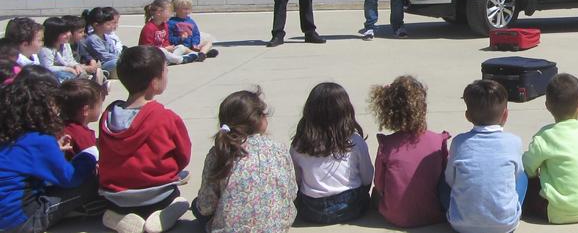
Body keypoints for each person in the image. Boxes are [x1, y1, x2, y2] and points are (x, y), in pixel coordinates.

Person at [97, 46, 192, 233]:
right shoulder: (165, 117)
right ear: (154, 82)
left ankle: (118, 218)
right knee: (177, 198)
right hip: (157, 194)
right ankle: (160, 217)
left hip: (115, 196)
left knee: (117, 205)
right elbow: (183, 155)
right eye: (166, 70)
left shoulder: (108, 116)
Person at [0, 66, 102, 232]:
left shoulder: (9, 130)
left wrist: (53, 149)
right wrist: (88, 157)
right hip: (20, 221)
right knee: (92, 183)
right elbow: (70, 179)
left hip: (6, 210)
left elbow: (20, 159)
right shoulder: (40, 139)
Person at [192, 88, 297, 233]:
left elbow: (205, 206)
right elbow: (292, 192)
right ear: (260, 120)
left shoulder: (219, 154)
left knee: (196, 206)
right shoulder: (278, 149)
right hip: (276, 228)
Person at [522, 73, 578, 225]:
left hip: (559, 212)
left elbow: (527, 168)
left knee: (524, 179)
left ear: (547, 106)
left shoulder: (544, 137)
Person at [443, 80, 526, 233]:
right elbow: (516, 176)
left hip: (461, 225)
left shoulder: (459, 142)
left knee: (443, 185)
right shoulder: (513, 141)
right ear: (505, 114)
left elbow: (450, 180)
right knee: (523, 177)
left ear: (467, 116)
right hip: (505, 225)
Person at [368, 75, 449, 228]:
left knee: (374, 195)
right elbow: (447, 177)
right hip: (433, 213)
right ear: (423, 108)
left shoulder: (387, 145)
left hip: (395, 216)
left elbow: (379, 184)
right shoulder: (438, 141)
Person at [290, 82, 373, 224]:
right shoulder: (354, 141)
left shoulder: (299, 144)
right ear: (345, 110)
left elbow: (295, 180)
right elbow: (367, 178)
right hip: (350, 206)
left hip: (312, 209)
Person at [139, 0, 206, 65]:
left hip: (164, 55)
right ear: (159, 12)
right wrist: (165, 49)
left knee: (180, 47)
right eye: (169, 12)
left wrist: (169, 47)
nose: (171, 14)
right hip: (151, 57)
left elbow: (166, 40)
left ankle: (170, 61)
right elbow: (147, 48)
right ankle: (181, 59)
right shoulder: (149, 28)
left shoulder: (164, 25)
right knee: (162, 50)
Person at [57, 78, 107, 161]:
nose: (101, 110)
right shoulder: (82, 135)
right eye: (99, 105)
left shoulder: (58, 126)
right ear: (86, 110)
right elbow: (95, 161)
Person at [78, 8, 122, 76]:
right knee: (117, 62)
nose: (112, 26)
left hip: (110, 60)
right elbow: (104, 56)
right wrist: (121, 58)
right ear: (96, 25)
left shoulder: (106, 36)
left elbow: (113, 50)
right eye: (108, 24)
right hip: (102, 64)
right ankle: (104, 73)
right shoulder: (93, 39)